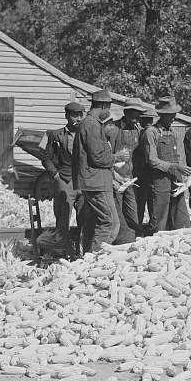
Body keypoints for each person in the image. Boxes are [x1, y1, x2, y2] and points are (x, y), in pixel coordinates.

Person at [72, 89, 125, 253]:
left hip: (93, 181)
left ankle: (87, 256)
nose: (109, 111)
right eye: (108, 107)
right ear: (104, 105)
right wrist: (116, 157)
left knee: (94, 222)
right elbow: (99, 158)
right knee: (111, 223)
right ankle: (96, 258)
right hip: (97, 182)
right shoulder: (92, 125)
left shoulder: (88, 123)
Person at [141, 96, 191, 234]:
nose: (172, 118)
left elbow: (179, 158)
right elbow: (152, 160)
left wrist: (185, 172)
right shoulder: (151, 133)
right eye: (168, 115)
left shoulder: (174, 133)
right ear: (160, 115)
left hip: (176, 179)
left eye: (173, 115)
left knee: (181, 218)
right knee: (159, 219)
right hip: (159, 181)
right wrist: (175, 167)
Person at [40, 101, 85, 256]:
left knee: (85, 217)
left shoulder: (86, 134)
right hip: (65, 180)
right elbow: (46, 158)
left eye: (80, 115)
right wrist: (56, 175)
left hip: (85, 181)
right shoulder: (56, 135)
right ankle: (62, 250)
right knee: (63, 217)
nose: (78, 118)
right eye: (74, 115)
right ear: (66, 116)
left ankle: (83, 251)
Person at [109, 97, 145, 243]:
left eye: (138, 117)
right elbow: (108, 155)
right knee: (118, 213)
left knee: (133, 213)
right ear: (125, 112)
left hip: (132, 179)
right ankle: (121, 242)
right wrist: (115, 176)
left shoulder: (140, 131)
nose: (135, 120)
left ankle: (134, 239)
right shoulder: (114, 130)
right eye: (133, 116)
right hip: (117, 179)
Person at [132, 104, 158, 236]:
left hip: (152, 176)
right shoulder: (138, 133)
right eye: (145, 120)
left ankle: (152, 233)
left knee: (154, 208)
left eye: (150, 120)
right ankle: (137, 233)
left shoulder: (153, 133)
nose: (148, 123)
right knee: (139, 207)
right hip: (140, 176)